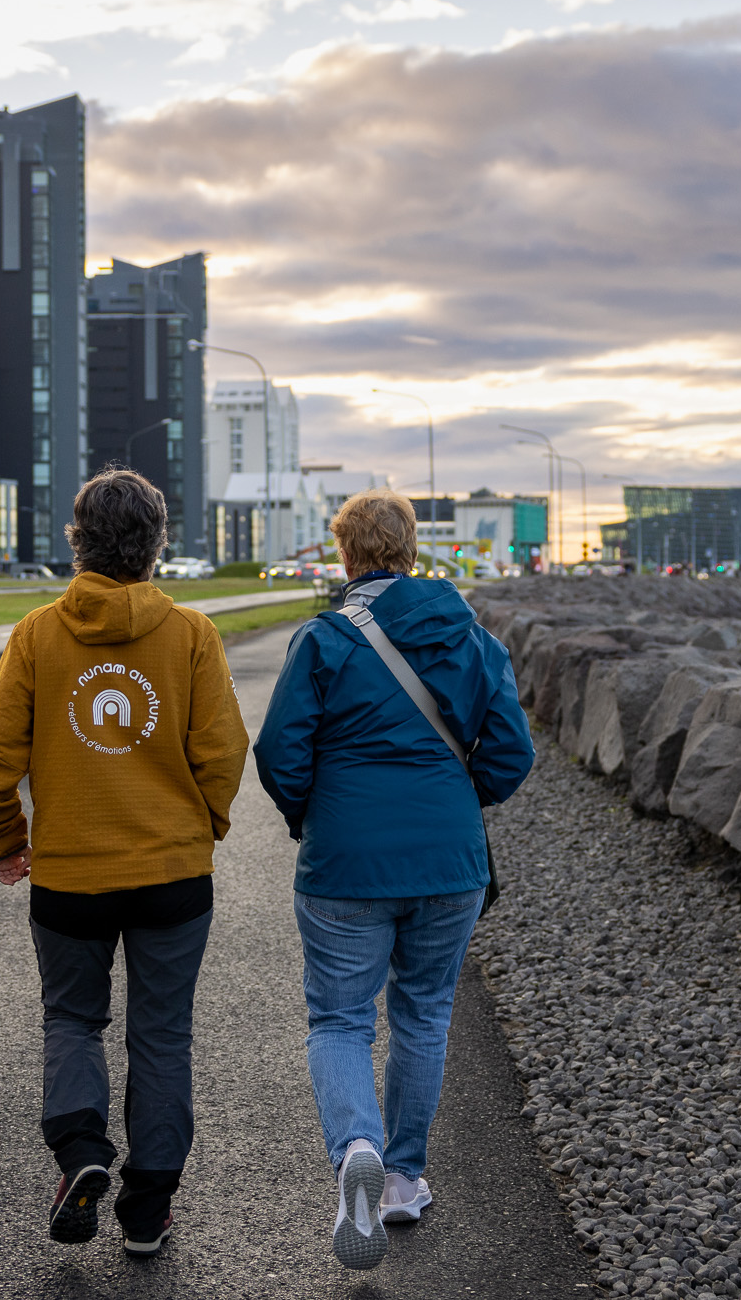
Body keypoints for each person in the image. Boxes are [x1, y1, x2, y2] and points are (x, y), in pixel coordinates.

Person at [0, 469, 249, 1256]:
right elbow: (223, 752)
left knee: (72, 1018)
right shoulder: (192, 634)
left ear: (78, 542)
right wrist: (202, 827)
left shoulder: (37, 634)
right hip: (173, 876)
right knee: (162, 1036)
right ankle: (148, 1206)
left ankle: (82, 1153)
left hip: (71, 878)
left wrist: (5, 840)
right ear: (157, 543)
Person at [253, 488, 534, 1270]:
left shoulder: (323, 640)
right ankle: (405, 1176)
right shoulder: (471, 636)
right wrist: (453, 801)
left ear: (346, 555)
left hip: (345, 861)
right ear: (413, 550)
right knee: (424, 1014)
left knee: (340, 1018)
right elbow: (512, 753)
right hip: (450, 863)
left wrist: (318, 815)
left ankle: (356, 1150)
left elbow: (279, 753)